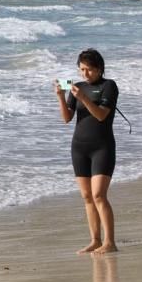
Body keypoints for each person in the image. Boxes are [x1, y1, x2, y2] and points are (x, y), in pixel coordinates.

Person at [55, 48, 120, 255]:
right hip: (79, 147)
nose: (85, 74)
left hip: (102, 147)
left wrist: (83, 98)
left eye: (89, 70)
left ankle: (110, 242)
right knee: (87, 196)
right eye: (82, 69)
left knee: (99, 194)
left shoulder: (108, 86)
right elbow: (66, 118)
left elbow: (101, 115)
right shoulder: (78, 88)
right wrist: (60, 96)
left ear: (99, 69)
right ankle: (95, 240)